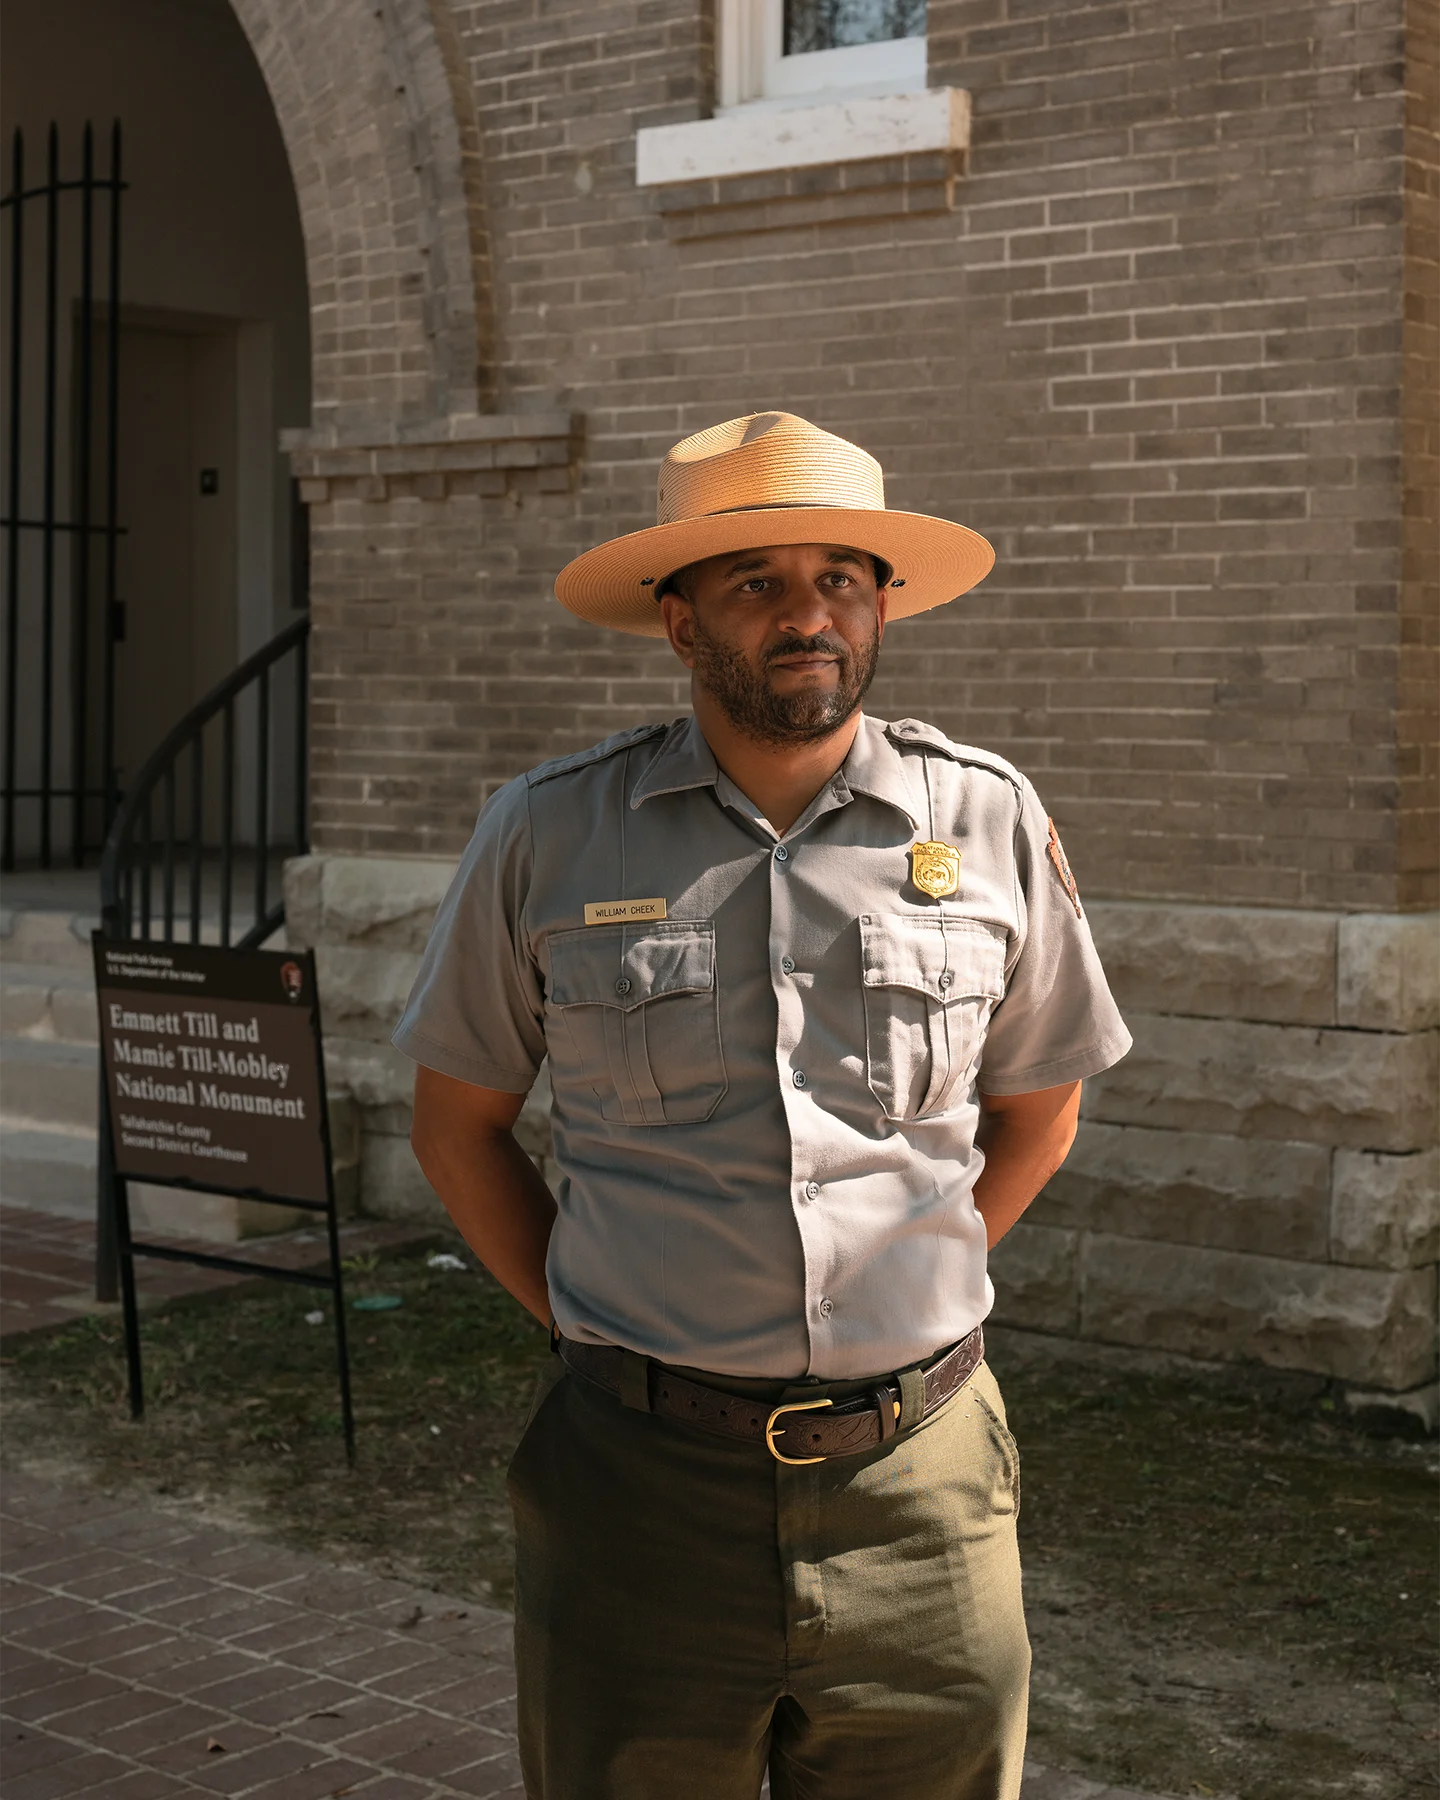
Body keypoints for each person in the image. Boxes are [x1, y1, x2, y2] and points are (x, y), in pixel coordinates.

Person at [394, 411, 1131, 1800]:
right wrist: (588, 1317)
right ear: (679, 623)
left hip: (922, 1493)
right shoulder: (550, 832)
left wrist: (917, 1275)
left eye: (841, 578)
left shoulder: (983, 821)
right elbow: (458, 1126)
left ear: (879, 604)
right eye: (760, 583)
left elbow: (1043, 1109)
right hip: (638, 1495)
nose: (810, 615)